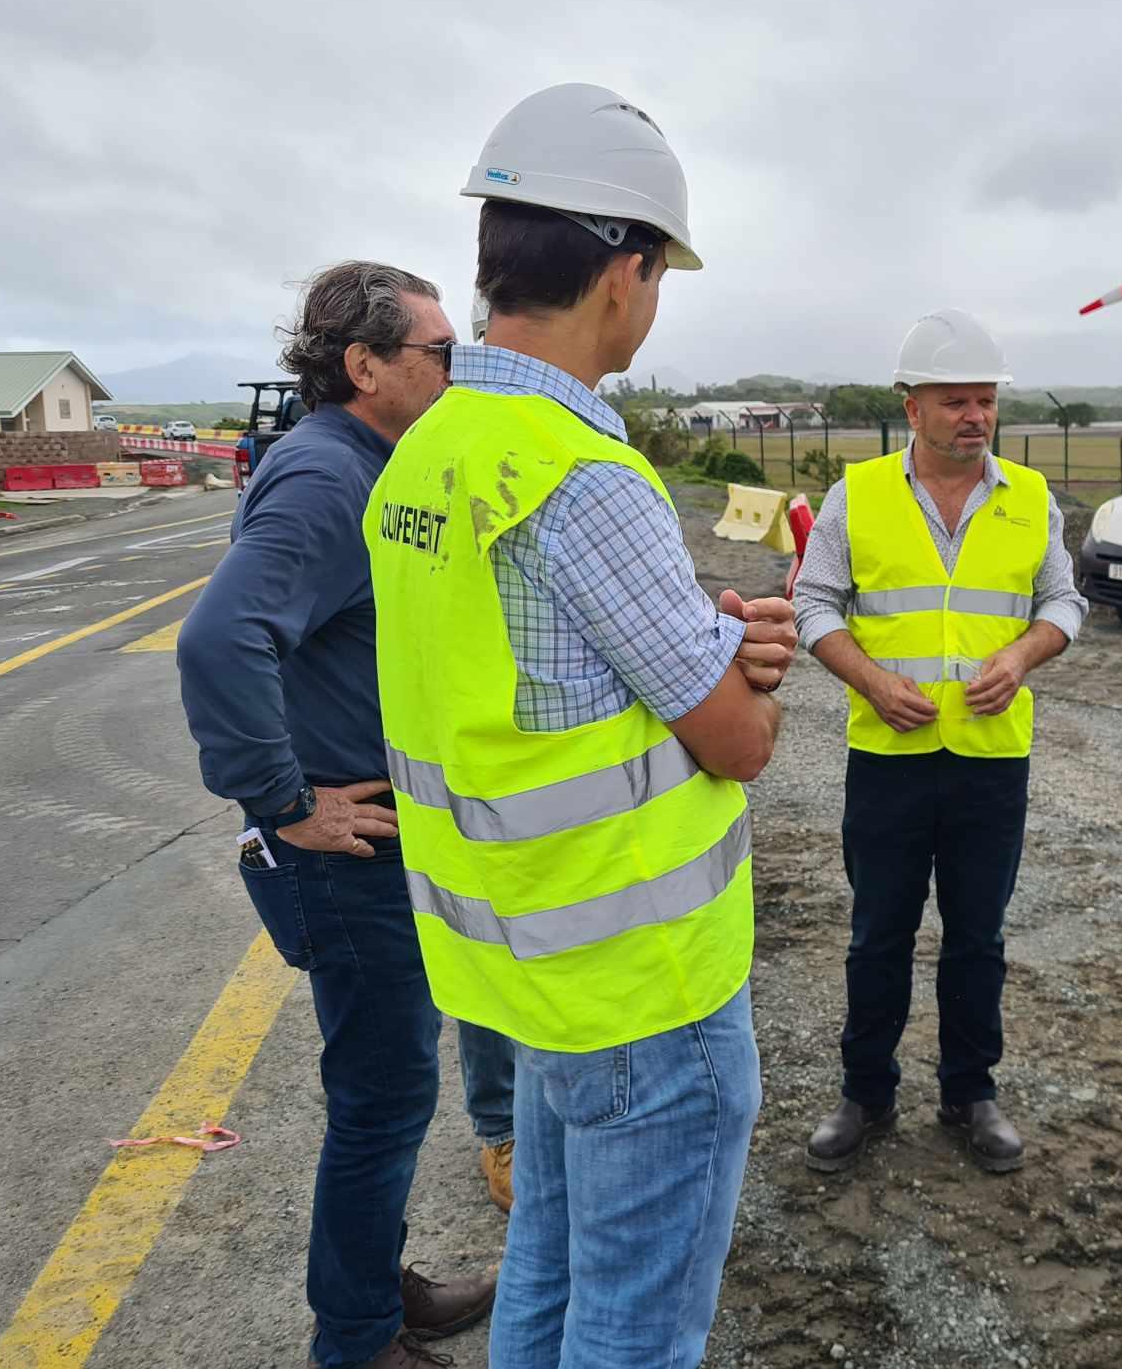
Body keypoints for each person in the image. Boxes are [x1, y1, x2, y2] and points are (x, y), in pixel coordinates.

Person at [363, 83, 796, 1369]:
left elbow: (541, 688)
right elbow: (737, 743)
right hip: (641, 984)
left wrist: (704, 649)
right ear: (627, 268)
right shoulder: (584, 473)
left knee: (548, 1282)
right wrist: (749, 662)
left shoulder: (429, 454)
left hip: (521, 968)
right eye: (657, 274)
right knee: (632, 1329)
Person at [177, 261, 501, 1369]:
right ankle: (358, 1342)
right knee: (383, 1096)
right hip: (345, 854)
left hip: (381, 842)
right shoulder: (327, 475)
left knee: (386, 1091)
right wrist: (283, 800)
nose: (458, 370)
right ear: (365, 365)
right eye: (440, 354)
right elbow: (220, 639)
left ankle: (373, 1290)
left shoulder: (374, 462)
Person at [794, 310, 1088, 1175]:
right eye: (954, 400)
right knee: (878, 932)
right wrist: (873, 682)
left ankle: (970, 1092)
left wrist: (1026, 654)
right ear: (911, 406)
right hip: (887, 761)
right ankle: (866, 1094)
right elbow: (816, 605)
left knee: (978, 935)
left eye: (985, 400)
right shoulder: (859, 495)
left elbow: (1064, 603)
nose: (974, 415)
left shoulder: (1030, 499)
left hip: (991, 763)